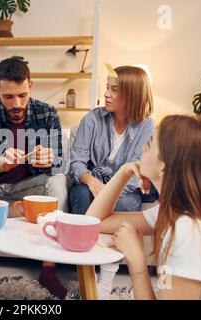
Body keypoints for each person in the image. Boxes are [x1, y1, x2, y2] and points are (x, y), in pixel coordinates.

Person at [86, 114, 201, 299]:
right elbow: (94, 222)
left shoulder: (189, 231)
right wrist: (123, 173)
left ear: (165, 168)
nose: (143, 147)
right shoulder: (175, 212)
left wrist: (136, 258)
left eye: (150, 144)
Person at [0, 56, 69, 299]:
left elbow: (59, 160)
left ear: (31, 85)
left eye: (22, 95)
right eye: (8, 97)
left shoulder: (47, 114)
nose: (17, 103)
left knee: (58, 181)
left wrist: (49, 161)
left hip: (27, 190)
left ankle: (49, 268)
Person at [68, 65, 155, 299]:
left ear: (132, 94)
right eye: (107, 88)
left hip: (125, 188)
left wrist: (111, 191)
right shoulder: (92, 119)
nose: (106, 94)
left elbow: (138, 171)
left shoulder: (147, 125)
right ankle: (88, 274)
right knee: (81, 196)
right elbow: (77, 162)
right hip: (89, 183)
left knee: (126, 204)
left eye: (114, 89)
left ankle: (105, 279)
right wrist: (90, 180)